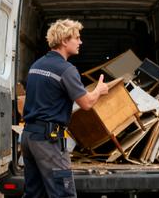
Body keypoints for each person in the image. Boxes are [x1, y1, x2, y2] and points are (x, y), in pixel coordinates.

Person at [21, 19, 109, 198]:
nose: (80, 42)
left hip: (29, 137)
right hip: (48, 142)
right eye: (77, 38)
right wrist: (99, 90)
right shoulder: (66, 69)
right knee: (64, 193)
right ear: (64, 40)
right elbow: (86, 103)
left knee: (34, 194)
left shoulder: (36, 66)